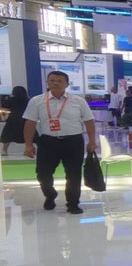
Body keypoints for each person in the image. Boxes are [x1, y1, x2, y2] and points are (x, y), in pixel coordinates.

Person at [22, 71, 96, 214]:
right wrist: (28, 145)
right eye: (52, 80)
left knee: (74, 174)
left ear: (67, 84)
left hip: (73, 141)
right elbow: (30, 123)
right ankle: (50, 194)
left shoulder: (78, 101)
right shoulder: (37, 101)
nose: (55, 83)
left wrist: (92, 142)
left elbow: (89, 122)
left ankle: (73, 204)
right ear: (48, 82)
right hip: (48, 142)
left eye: (59, 81)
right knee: (43, 173)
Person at [1, 86, 28, 155]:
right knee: (27, 134)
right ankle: (27, 149)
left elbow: (4, 107)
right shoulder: (27, 100)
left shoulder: (11, 99)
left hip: (13, 118)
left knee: (8, 134)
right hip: (25, 118)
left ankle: (4, 150)